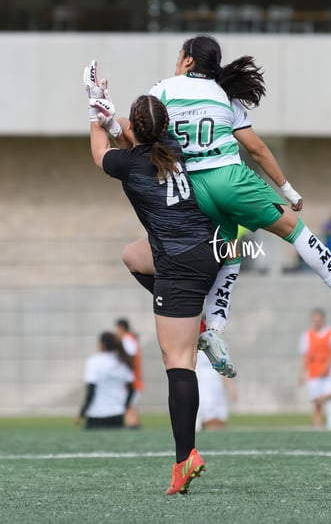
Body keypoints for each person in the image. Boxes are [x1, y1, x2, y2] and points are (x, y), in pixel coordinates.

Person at [117, 36, 331, 361]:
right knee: (294, 229)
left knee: (230, 252)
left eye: (179, 54)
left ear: (187, 60)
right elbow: (256, 149)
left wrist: (106, 121)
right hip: (229, 177)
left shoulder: (163, 89)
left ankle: (214, 330)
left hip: (193, 190)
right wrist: (288, 190)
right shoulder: (224, 94)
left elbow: (139, 131)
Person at [84, 64, 223, 494]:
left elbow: (99, 148)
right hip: (206, 252)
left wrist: (94, 110)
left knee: (178, 363)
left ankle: (185, 459)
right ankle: (192, 321)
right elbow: (130, 130)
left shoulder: (129, 162)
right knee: (132, 254)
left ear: (137, 128)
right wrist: (111, 117)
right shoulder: (174, 147)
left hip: (181, 266)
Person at [74, 331, 134, 430]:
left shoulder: (94, 361)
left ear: (102, 344)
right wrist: (125, 407)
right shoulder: (122, 362)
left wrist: (81, 414)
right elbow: (131, 390)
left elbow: (90, 391)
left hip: (96, 415)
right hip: (117, 416)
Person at [195, 320, 238, 431]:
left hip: (216, 388)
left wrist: (231, 388)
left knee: (220, 422)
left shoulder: (217, 345)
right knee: (210, 422)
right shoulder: (194, 346)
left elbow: (224, 366)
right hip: (202, 388)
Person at [298, 309, 331, 426]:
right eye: (314, 320)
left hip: (328, 374)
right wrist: (302, 373)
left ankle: (330, 420)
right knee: (316, 400)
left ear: (323, 319)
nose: (316, 322)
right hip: (314, 373)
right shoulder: (307, 335)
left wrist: (326, 367)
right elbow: (305, 356)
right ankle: (317, 421)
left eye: (318, 319)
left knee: (327, 397)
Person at [115, 317, 144, 429]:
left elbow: (130, 355)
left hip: (131, 377)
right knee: (132, 404)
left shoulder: (127, 338)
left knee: (129, 404)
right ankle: (134, 424)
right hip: (134, 376)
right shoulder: (131, 338)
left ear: (121, 328)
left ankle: (132, 424)